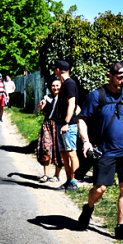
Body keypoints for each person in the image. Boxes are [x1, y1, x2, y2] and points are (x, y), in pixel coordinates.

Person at [77, 62, 123, 240]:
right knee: (100, 189)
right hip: (105, 152)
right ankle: (89, 207)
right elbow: (82, 119)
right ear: (110, 76)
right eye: (120, 77)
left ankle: (120, 227)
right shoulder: (96, 96)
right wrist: (86, 142)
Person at [54, 60, 80, 192]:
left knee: (71, 153)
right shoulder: (64, 84)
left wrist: (67, 122)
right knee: (64, 153)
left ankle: (74, 181)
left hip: (68, 125)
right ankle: (68, 180)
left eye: (55, 69)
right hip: (61, 124)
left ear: (58, 70)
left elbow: (72, 104)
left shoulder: (70, 84)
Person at [36, 78, 64, 183]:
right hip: (47, 125)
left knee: (58, 150)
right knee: (46, 147)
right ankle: (45, 175)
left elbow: (75, 107)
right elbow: (39, 108)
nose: (55, 88)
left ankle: (56, 175)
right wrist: (41, 105)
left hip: (59, 126)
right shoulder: (47, 97)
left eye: (57, 85)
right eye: (53, 85)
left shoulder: (64, 98)